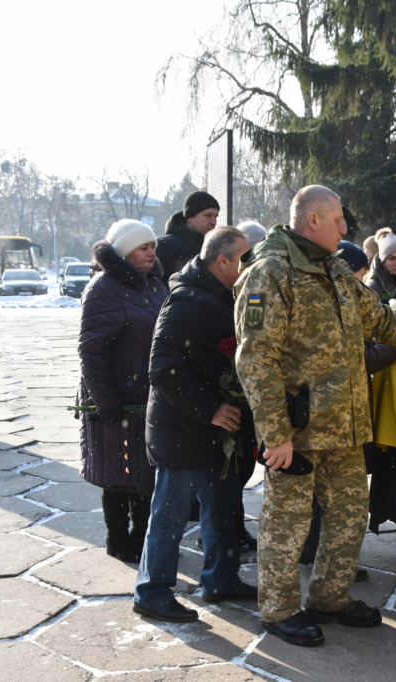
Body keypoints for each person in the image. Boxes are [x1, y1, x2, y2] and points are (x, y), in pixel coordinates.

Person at [234, 184, 396, 647]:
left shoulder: (335, 270)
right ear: (313, 220)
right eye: (338, 219)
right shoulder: (271, 272)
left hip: (344, 426)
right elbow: (255, 359)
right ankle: (279, 611)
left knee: (348, 516)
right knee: (287, 525)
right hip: (298, 431)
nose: (345, 227)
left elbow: (382, 321)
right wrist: (275, 434)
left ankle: (329, 598)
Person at [132, 227, 259, 623]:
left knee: (223, 509)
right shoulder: (188, 300)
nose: (251, 266)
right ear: (222, 261)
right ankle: (152, 592)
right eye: (244, 259)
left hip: (215, 432)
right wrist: (211, 409)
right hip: (183, 430)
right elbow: (163, 369)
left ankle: (221, 579)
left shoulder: (222, 295)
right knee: (170, 515)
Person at [298, 239, 396, 582]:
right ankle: (327, 566)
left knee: (326, 494)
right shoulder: (333, 298)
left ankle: (319, 557)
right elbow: (362, 356)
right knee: (334, 497)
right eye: (360, 272)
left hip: (328, 410)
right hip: (331, 413)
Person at [78, 220, 168, 563]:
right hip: (116, 398)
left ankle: (142, 537)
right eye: (143, 247)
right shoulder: (103, 288)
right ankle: (117, 539)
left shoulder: (154, 284)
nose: (151, 252)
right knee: (117, 473)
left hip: (147, 396)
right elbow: (92, 351)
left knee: (145, 472)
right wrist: (107, 401)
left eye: (153, 246)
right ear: (125, 252)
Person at [154, 192, 220, 284]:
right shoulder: (163, 246)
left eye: (215, 216)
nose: (214, 222)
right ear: (189, 217)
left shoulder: (216, 248)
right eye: (208, 215)